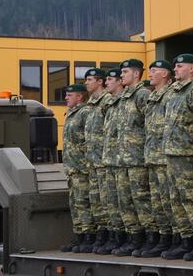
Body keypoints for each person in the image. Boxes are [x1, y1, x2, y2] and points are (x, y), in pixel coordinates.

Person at [162, 53, 193, 260]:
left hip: (188, 154)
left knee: (192, 199)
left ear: (192, 69)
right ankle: (186, 240)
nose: (176, 69)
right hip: (172, 154)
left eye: (180, 66)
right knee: (176, 199)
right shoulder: (172, 92)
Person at [112, 59, 155, 257]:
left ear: (136, 74)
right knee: (126, 202)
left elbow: (151, 125)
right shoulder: (123, 97)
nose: (121, 75)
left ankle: (149, 239)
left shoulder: (143, 95)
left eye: (125, 71)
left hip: (137, 160)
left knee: (142, 201)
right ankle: (134, 238)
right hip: (123, 160)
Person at [141, 60, 178, 257]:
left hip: (166, 156)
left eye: (154, 71)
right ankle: (163, 239)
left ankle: (176, 238)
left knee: (170, 200)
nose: (150, 73)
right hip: (153, 156)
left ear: (165, 74)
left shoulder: (170, 95)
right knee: (157, 202)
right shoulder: (153, 97)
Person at [95, 69, 127, 255]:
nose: (107, 82)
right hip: (109, 159)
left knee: (130, 201)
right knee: (111, 202)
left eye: (110, 79)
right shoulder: (111, 103)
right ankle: (114, 237)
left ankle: (134, 238)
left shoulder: (131, 99)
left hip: (125, 159)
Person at [60, 84, 93, 253]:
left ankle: (88, 237)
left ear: (80, 97)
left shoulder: (85, 112)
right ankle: (79, 235)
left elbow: (90, 139)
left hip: (82, 167)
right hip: (72, 167)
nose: (66, 97)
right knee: (75, 203)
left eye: (69, 94)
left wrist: (86, 163)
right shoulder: (71, 114)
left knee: (83, 203)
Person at [82, 68, 111, 253]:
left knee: (107, 200)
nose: (86, 83)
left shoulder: (107, 101)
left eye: (90, 79)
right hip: (92, 161)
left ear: (99, 82)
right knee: (96, 202)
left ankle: (110, 236)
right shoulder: (91, 104)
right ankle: (100, 237)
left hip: (104, 159)